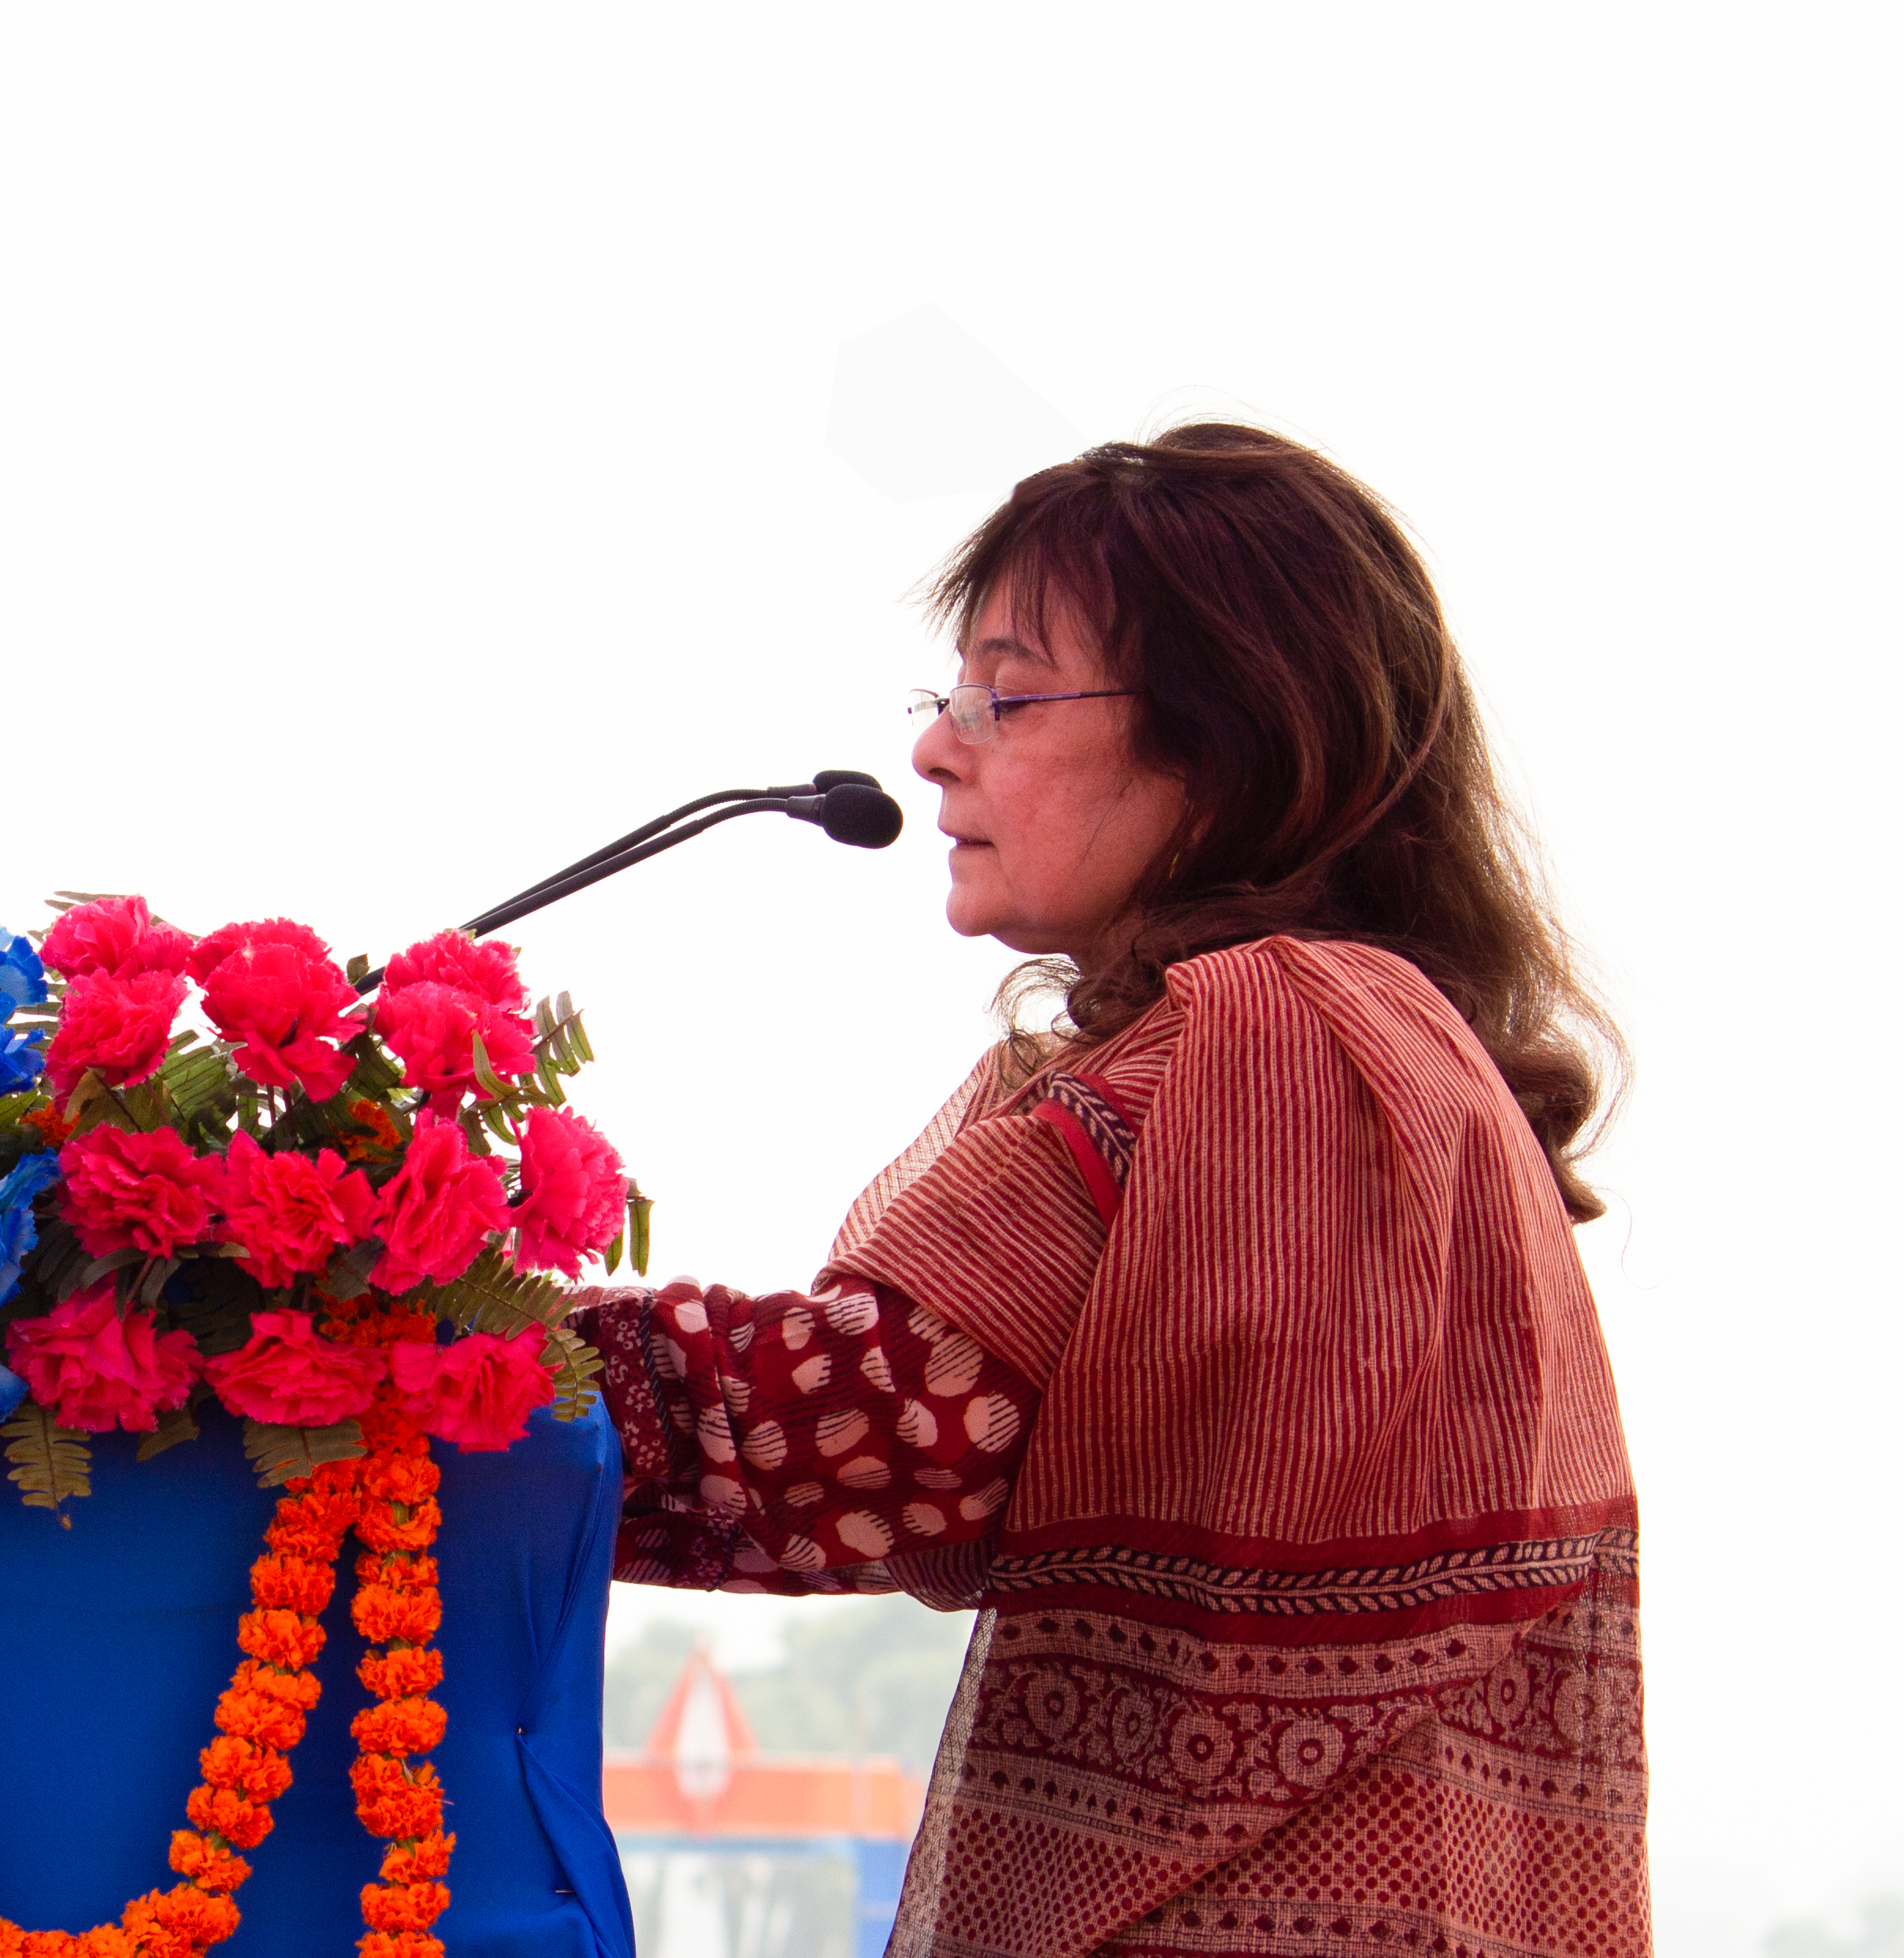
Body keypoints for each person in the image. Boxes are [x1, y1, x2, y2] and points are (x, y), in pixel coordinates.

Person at [571, 425, 1647, 1958]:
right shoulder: (1395, 1050)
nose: (938, 748)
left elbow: (872, 1433)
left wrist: (381, 1346)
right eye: (945, 698)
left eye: (1005, 695)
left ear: (1226, 742)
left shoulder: (1273, 1041)